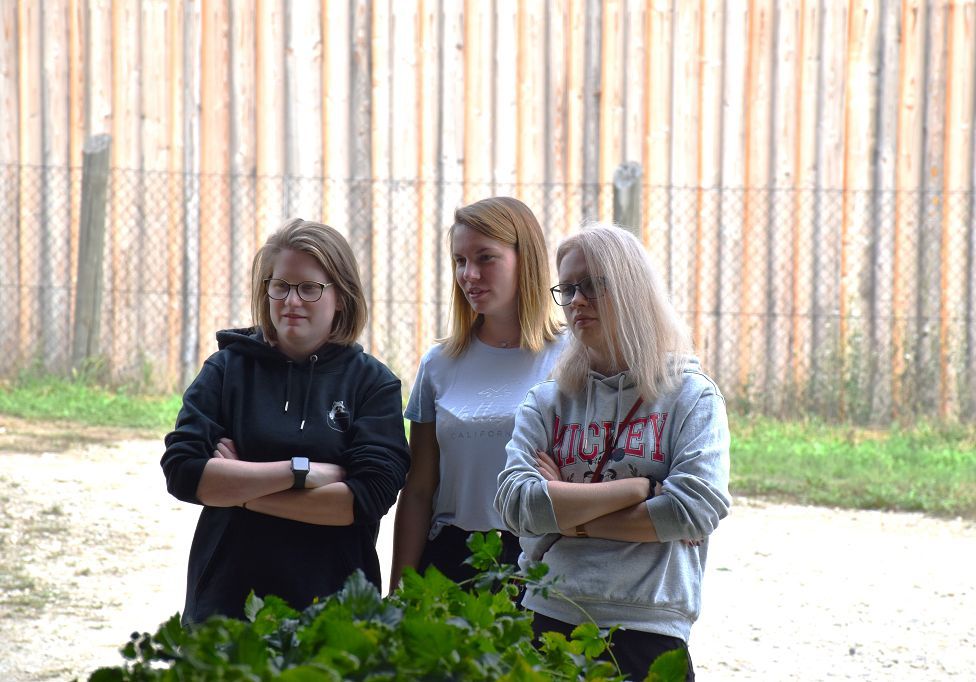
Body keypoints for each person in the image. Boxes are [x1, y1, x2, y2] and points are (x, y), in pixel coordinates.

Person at [494, 223, 731, 680]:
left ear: (631, 288)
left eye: (593, 285)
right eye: (568, 289)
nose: (576, 300)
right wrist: (639, 489)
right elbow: (516, 506)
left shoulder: (691, 396)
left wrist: (566, 514)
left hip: (648, 622)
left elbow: (693, 510)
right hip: (550, 612)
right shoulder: (547, 401)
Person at [161, 218, 410, 625]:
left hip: (334, 612)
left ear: (341, 296)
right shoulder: (226, 370)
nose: (291, 301)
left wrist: (240, 492)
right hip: (227, 605)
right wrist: (302, 472)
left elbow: (366, 499)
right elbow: (183, 472)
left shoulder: (372, 383)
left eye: (309, 288)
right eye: (280, 286)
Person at [390, 196, 566, 589]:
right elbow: (419, 490)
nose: (469, 274)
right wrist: (401, 589)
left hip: (538, 559)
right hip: (449, 559)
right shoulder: (439, 364)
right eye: (460, 260)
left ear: (526, 258)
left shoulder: (572, 357)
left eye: (485, 258)